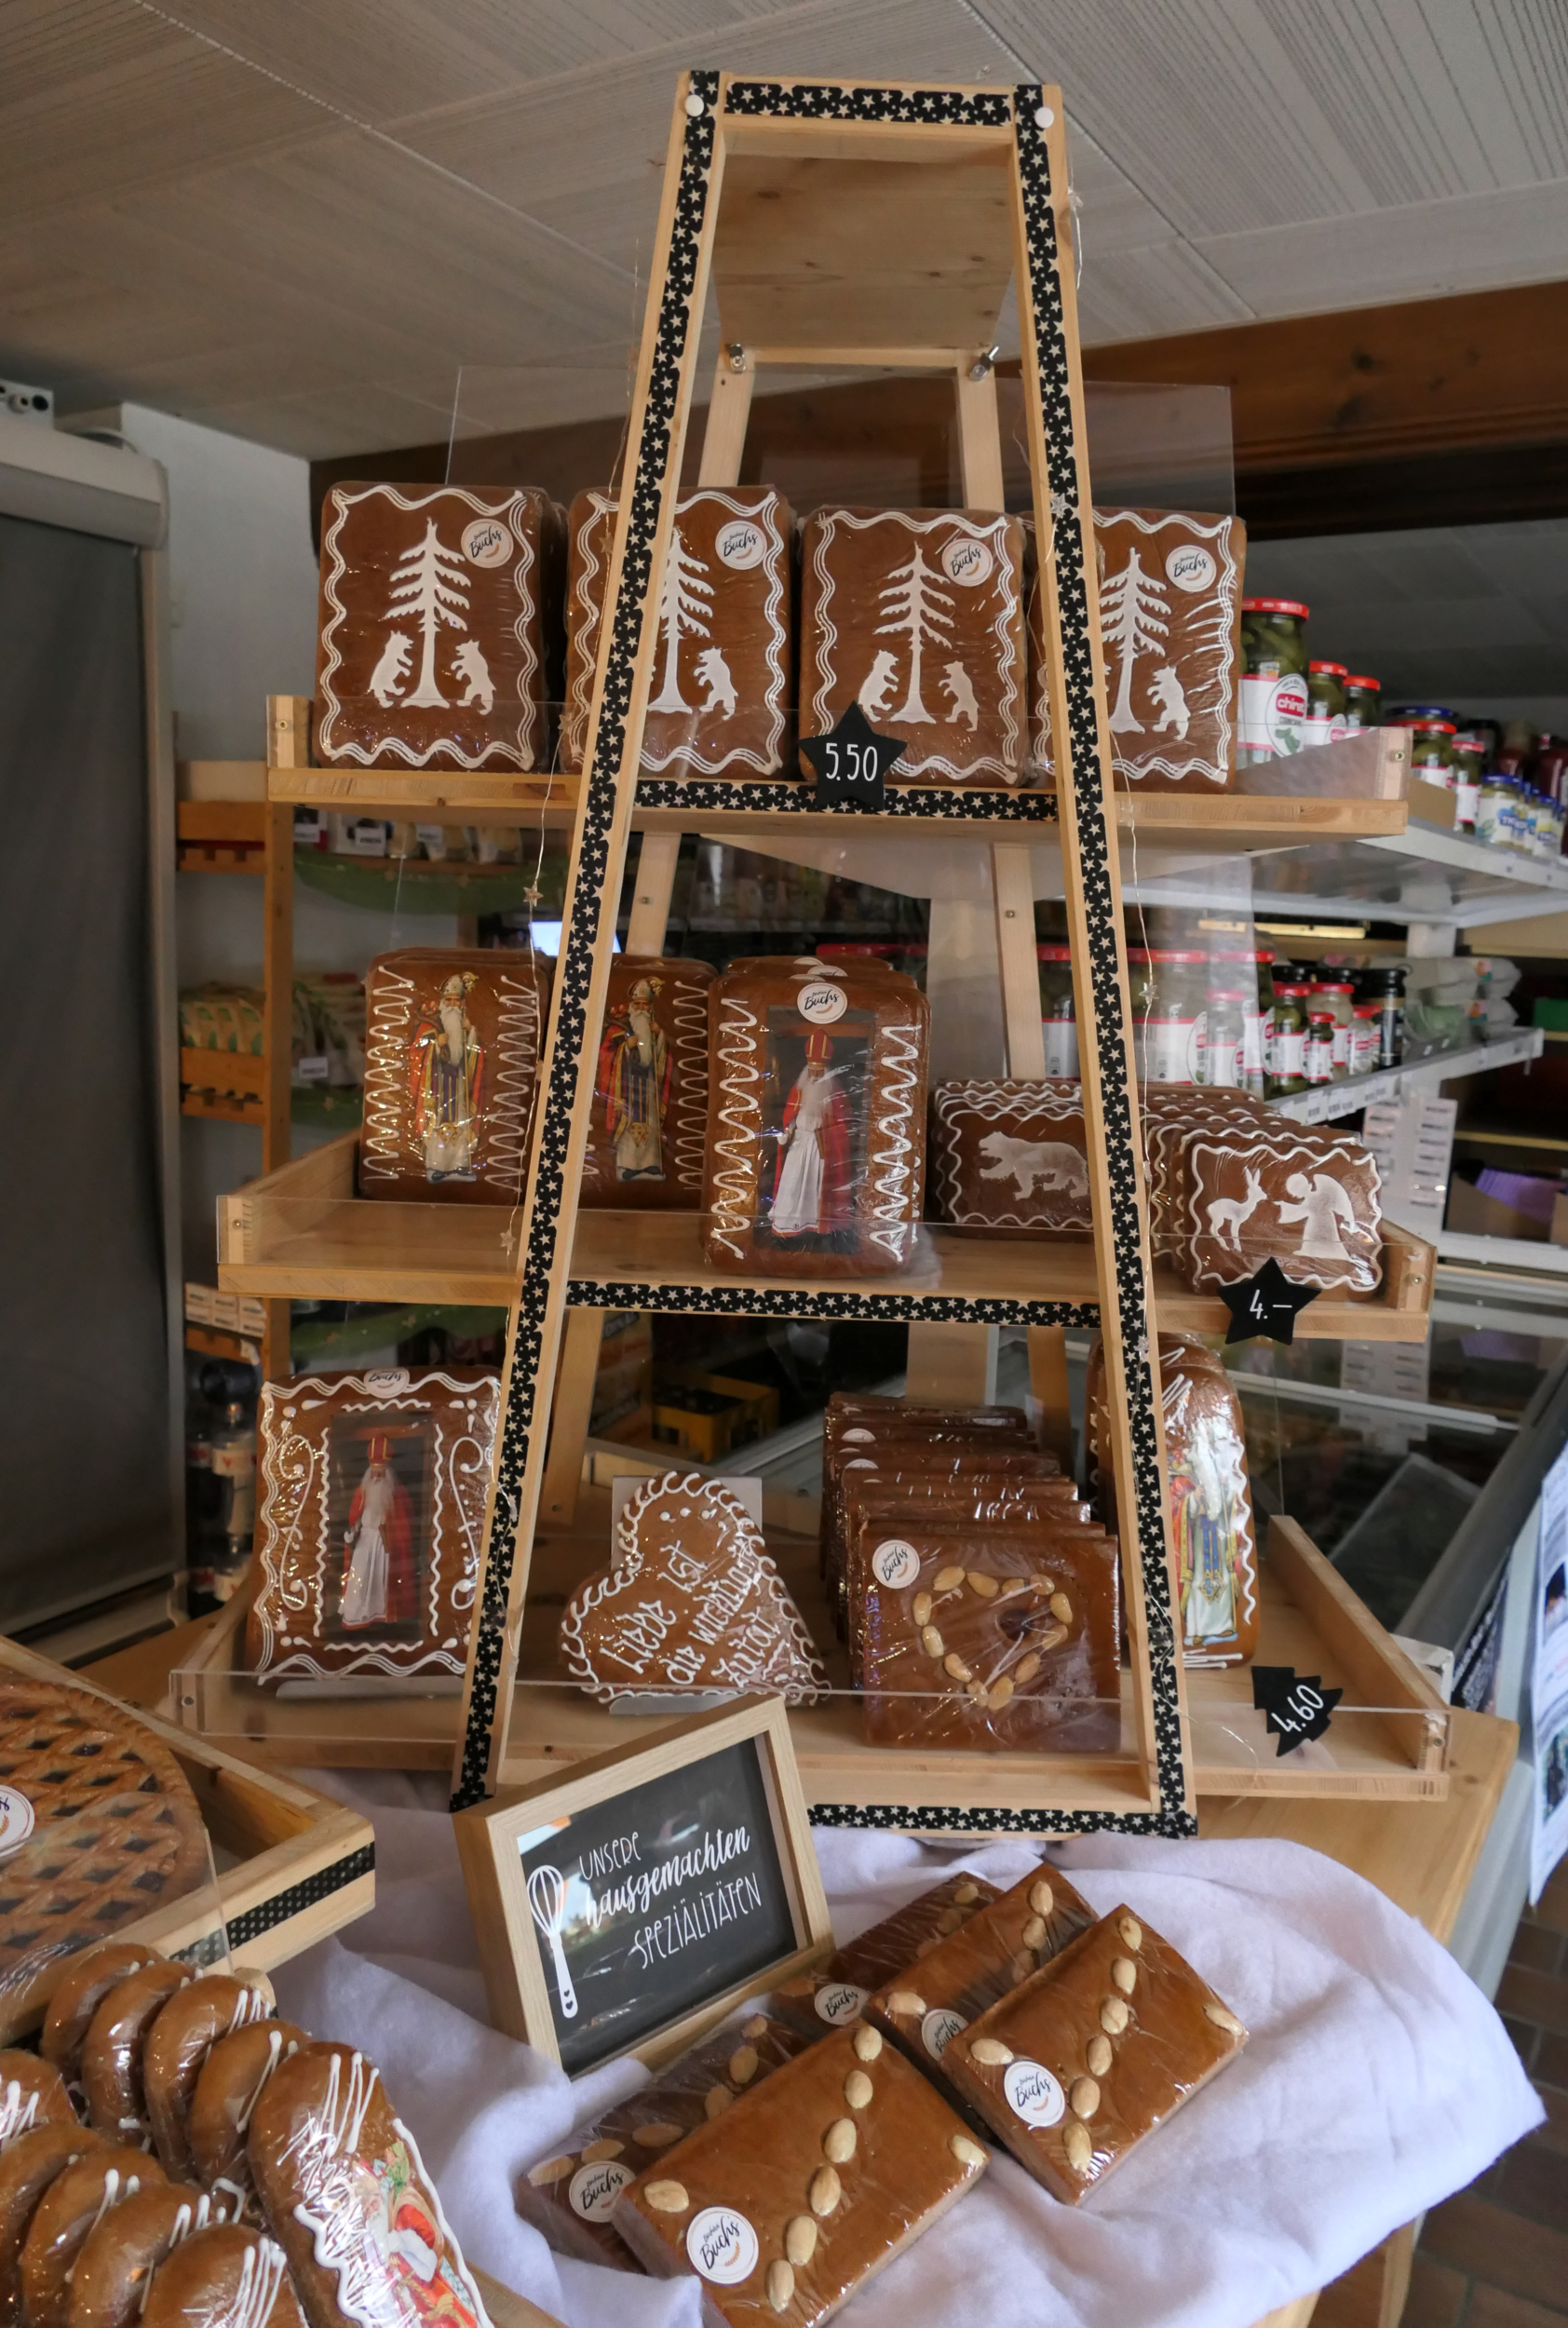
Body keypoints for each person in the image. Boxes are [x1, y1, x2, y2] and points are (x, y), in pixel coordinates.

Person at [769, 1029, 853, 1238]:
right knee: (792, 1184)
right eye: (812, 1069)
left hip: (819, 1147)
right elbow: (791, 1115)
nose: (815, 1074)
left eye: (819, 1070)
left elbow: (841, 1126)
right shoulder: (798, 1089)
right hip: (799, 1145)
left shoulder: (834, 1092)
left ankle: (813, 1226)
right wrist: (786, 1131)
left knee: (814, 1187)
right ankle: (789, 1224)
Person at [409, 972, 482, 1182]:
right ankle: (435, 1167)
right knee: (436, 1124)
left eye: (456, 1001)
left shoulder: (464, 1026)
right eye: (448, 1000)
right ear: (442, 1002)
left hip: (459, 1083)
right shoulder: (431, 1025)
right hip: (436, 1085)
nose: (452, 1005)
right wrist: (435, 1045)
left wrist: (471, 1032)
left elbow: (473, 1058)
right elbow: (416, 1052)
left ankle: (460, 1166)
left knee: (461, 1124)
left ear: (461, 1003)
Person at [341, 1431, 417, 1630]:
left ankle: (381, 1618)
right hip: (365, 1542)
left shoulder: (397, 1493)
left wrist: (392, 1537)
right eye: (374, 1472)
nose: (377, 1477)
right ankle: (359, 1615)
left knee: (380, 1582)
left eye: (381, 1472)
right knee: (360, 1580)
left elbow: (403, 1525)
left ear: (387, 1471)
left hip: (384, 1544)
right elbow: (357, 1516)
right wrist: (353, 1530)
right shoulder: (362, 1491)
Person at [596, 977, 669, 1179]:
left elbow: (659, 1057)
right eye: (638, 1004)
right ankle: (627, 1166)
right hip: (626, 1085)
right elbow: (605, 1054)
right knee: (628, 1122)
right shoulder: (619, 1026)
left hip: (649, 1084)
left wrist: (659, 1036)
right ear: (631, 1005)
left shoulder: (652, 1027)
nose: (642, 1008)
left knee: (651, 1123)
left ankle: (650, 1163)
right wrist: (625, 1048)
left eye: (645, 1004)